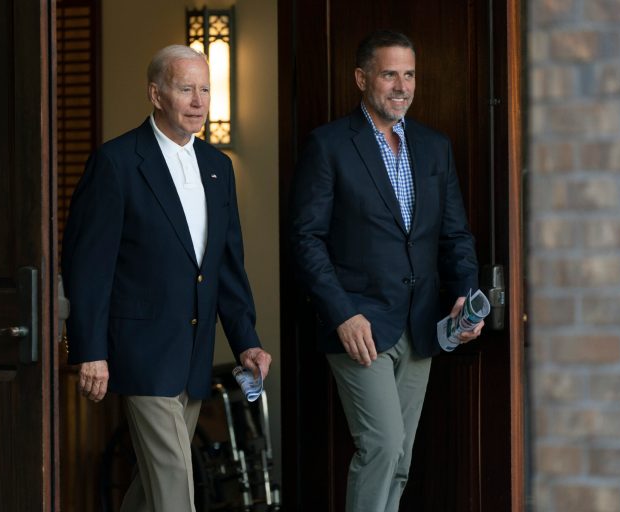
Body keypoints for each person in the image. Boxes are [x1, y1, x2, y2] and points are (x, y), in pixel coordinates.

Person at [62, 44, 272, 512]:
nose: (199, 101)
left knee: (151, 487)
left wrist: (246, 342)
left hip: (193, 353)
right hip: (140, 352)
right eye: (185, 89)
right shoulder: (116, 163)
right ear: (155, 94)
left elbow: (226, 267)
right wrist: (91, 351)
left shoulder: (219, 168)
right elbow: (87, 265)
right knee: (176, 481)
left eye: (205, 90)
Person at [290, 30, 483, 512]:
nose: (402, 85)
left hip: (421, 325)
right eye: (389, 73)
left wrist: (464, 292)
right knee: (381, 445)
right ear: (361, 79)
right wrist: (341, 314)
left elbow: (455, 234)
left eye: (410, 74)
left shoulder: (434, 146)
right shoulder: (329, 145)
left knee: (400, 456)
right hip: (360, 326)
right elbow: (305, 238)